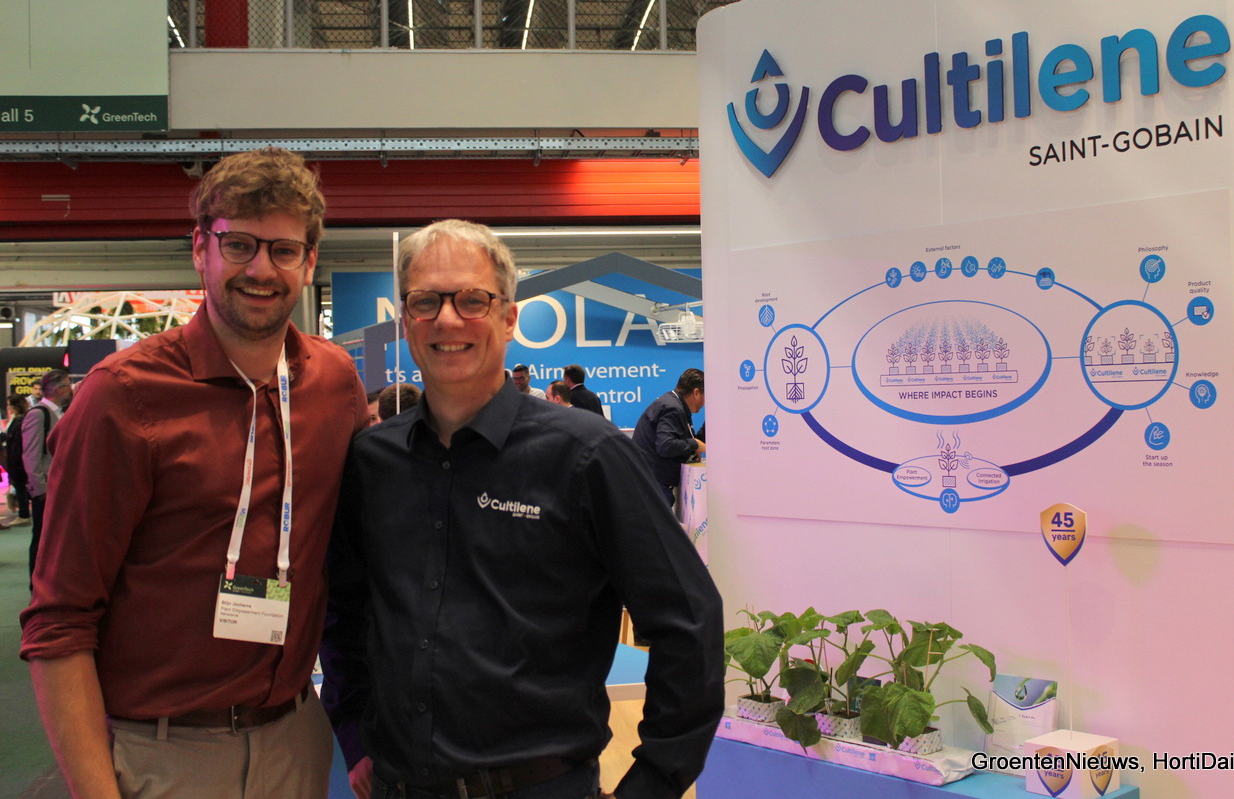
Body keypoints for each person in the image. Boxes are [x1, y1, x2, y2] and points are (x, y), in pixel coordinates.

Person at [321, 219, 723, 799]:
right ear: (405, 320)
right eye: (426, 301)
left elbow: (688, 622)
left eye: (472, 300)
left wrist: (655, 780)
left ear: (509, 318)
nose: (447, 319)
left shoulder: (587, 456)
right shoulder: (372, 461)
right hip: (396, 785)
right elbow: (344, 609)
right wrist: (354, 732)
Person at [20, 147, 368, 799]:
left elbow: (356, 569)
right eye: (239, 245)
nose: (261, 269)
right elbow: (60, 618)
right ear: (200, 249)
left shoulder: (333, 383)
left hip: (296, 740)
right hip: (162, 754)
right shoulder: (123, 396)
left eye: (284, 250)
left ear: (309, 261)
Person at [23, 369, 73, 585]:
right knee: (41, 540)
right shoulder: (38, 415)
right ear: (59, 390)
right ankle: (36, 586)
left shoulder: (58, 413)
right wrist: (40, 490)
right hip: (45, 491)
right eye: (68, 385)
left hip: (58, 489)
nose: (71, 390)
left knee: (55, 541)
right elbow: (31, 456)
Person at [630, 368, 707, 507]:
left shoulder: (675, 404)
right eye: (706, 395)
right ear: (696, 393)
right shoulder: (673, 408)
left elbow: (683, 440)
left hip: (650, 482)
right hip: (652, 486)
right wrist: (695, 444)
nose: (705, 403)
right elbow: (666, 445)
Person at [1, 394, 32, 528]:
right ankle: (22, 512)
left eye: (10, 405)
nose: (8, 407)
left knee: (21, 487)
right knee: (20, 487)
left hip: (18, 460)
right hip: (15, 459)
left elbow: (17, 443)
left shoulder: (21, 420)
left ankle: (23, 514)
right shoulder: (17, 419)